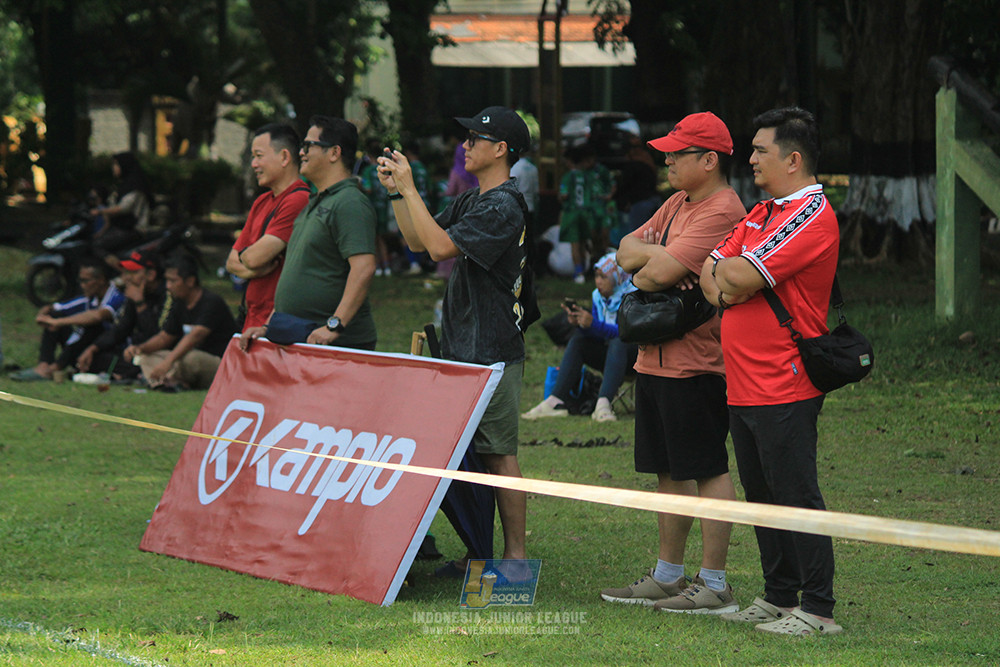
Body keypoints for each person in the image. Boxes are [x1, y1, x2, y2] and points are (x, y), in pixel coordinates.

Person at [699, 107, 842, 636]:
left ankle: (818, 609)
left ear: (793, 159)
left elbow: (738, 273)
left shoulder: (811, 213)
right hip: (742, 385)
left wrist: (732, 278)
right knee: (761, 495)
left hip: (786, 382)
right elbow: (710, 272)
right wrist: (729, 284)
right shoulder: (762, 212)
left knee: (796, 494)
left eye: (761, 150)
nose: (752, 158)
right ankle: (780, 595)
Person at [601, 112, 747, 614]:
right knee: (667, 470)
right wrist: (651, 262)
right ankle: (668, 577)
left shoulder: (723, 209)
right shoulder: (676, 202)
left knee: (707, 468)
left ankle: (715, 583)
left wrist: (653, 261)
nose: (666, 161)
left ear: (709, 161)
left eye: (676, 154)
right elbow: (625, 254)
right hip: (653, 358)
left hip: (697, 362)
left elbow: (655, 271)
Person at [377, 105, 533, 567]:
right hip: (464, 346)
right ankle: (479, 552)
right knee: (467, 456)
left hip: (494, 351)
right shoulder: (472, 200)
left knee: (498, 456)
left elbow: (440, 247)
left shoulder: (503, 205)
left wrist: (410, 187)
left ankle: (516, 559)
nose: (464, 145)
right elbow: (417, 242)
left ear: (500, 149)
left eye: (474, 139)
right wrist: (397, 194)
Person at [241, 115, 377, 350]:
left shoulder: (349, 202)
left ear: (334, 153)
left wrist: (334, 326)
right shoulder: (313, 203)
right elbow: (296, 271)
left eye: (308, 145)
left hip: (337, 344)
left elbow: (364, 267)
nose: (301, 153)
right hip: (301, 336)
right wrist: (268, 326)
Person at [521, 251, 637, 422]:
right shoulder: (598, 297)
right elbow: (599, 334)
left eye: (603, 277)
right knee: (579, 340)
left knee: (618, 341)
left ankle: (603, 405)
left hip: (634, 357)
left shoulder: (633, 296)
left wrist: (593, 324)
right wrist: (581, 325)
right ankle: (555, 401)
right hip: (610, 357)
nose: (598, 281)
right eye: (596, 276)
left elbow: (627, 333)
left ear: (617, 277)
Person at [225, 123, 310, 331]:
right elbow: (231, 262)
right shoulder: (262, 201)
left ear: (284, 157)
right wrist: (254, 269)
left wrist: (248, 260)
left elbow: (253, 258)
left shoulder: (298, 200)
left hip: (275, 324)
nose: (254, 164)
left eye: (259, 156)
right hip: (250, 318)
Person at [124, 253, 236, 390]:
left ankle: (169, 380)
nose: (168, 286)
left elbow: (195, 336)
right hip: (183, 361)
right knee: (146, 357)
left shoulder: (212, 302)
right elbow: (164, 337)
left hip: (219, 362)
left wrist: (168, 362)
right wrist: (140, 348)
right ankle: (165, 383)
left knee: (191, 358)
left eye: (173, 281)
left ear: (190, 281)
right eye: (167, 281)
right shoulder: (179, 303)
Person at [10, 259, 125, 381]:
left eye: (85, 281)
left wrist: (58, 322)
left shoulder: (116, 296)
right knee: (55, 316)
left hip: (112, 351)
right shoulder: (91, 298)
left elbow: (98, 316)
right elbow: (56, 307)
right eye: (80, 281)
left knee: (91, 326)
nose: (82, 285)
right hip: (89, 349)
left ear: (101, 280)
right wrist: (45, 314)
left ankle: (55, 368)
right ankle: (44, 364)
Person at [76, 249, 173, 378]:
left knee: (143, 362)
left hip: (160, 353)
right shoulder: (135, 294)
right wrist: (94, 348)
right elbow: (121, 328)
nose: (127, 277)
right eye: (127, 272)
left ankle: (132, 374)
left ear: (151, 275)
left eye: (134, 272)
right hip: (135, 352)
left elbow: (159, 336)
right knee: (93, 356)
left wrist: (140, 304)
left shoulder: (168, 295)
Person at [92, 152, 152, 266]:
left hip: (133, 230)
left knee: (97, 246)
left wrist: (99, 211)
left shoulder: (134, 187)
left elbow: (123, 208)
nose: (113, 168)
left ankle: (121, 269)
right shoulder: (123, 186)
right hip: (122, 228)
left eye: (116, 164)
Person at [558, 146, 594, 284]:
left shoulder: (568, 177)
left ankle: (579, 273)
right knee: (584, 242)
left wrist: (560, 198)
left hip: (572, 213)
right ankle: (586, 269)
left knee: (575, 244)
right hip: (586, 212)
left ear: (569, 161)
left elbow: (564, 195)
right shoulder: (587, 176)